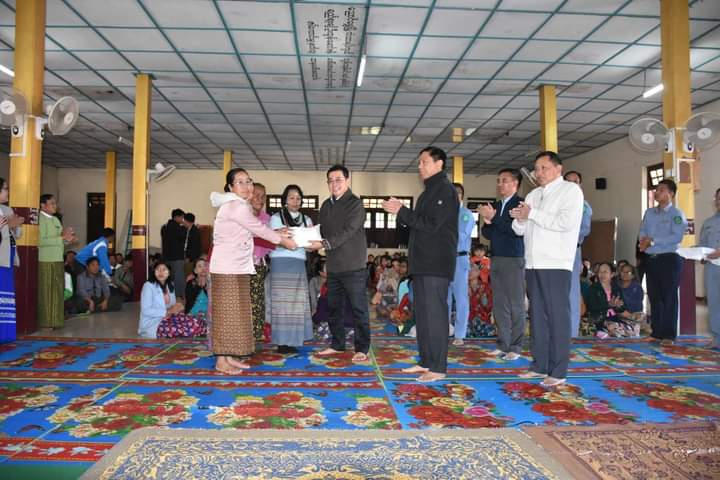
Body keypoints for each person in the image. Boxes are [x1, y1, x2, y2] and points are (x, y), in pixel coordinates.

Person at [382, 147, 459, 383]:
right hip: (423, 262)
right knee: (423, 315)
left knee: (435, 315)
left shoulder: (445, 190)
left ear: (439, 164)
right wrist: (402, 215)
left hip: (436, 262)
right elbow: (419, 226)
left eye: (424, 162)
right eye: (419, 162)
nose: (419, 166)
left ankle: (438, 366)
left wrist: (402, 211)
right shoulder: (427, 192)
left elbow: (432, 224)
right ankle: (426, 360)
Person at [209, 167, 296, 374]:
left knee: (236, 314)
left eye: (248, 181)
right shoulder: (235, 206)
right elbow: (257, 229)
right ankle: (221, 360)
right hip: (227, 269)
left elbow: (251, 230)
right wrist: (283, 241)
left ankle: (229, 357)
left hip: (237, 268)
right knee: (226, 315)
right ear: (230, 187)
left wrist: (276, 232)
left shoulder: (240, 206)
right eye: (240, 182)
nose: (246, 186)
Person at [511, 151, 583, 387]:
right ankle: (539, 365)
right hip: (533, 263)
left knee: (557, 316)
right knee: (538, 317)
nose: (538, 173)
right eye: (537, 169)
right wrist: (520, 219)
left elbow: (565, 223)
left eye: (544, 168)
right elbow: (520, 230)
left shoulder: (570, 191)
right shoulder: (533, 194)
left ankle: (558, 370)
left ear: (558, 169)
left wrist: (532, 214)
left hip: (556, 263)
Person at [313, 165, 370, 363]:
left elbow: (349, 230)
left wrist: (324, 244)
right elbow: (320, 231)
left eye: (338, 179)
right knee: (334, 307)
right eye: (330, 180)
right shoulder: (325, 206)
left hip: (354, 266)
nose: (334, 184)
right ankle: (337, 344)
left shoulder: (355, 204)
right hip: (334, 266)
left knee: (358, 309)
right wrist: (306, 239)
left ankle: (362, 348)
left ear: (347, 180)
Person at [479, 168, 525, 360]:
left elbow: (514, 230)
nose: (500, 184)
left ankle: (516, 346)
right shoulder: (496, 205)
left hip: (513, 257)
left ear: (515, 183)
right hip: (496, 257)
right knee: (499, 303)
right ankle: (503, 343)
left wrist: (495, 218)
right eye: (499, 181)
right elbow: (487, 234)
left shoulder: (520, 204)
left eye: (504, 181)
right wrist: (488, 221)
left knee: (515, 304)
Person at [638, 179, 687, 344]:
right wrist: (643, 242)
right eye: (656, 189)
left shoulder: (677, 214)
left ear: (671, 194)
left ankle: (668, 335)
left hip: (669, 259)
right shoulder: (649, 213)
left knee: (669, 297)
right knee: (654, 296)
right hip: (651, 259)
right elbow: (642, 230)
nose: (657, 192)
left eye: (661, 189)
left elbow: (677, 237)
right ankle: (656, 332)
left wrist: (652, 241)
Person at [268, 184, 314, 354]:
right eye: (291, 198)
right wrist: (286, 239)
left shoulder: (307, 220)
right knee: (281, 303)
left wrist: (308, 242)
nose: (295, 201)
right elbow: (272, 239)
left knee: (297, 303)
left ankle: (294, 340)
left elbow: (311, 246)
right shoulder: (275, 218)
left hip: (298, 262)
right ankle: (281, 342)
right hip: (280, 262)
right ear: (285, 200)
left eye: (298, 198)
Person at [139, 261, 206, 339]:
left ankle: (198, 330)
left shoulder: (170, 285)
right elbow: (146, 310)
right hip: (153, 323)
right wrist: (168, 311)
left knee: (193, 321)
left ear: (169, 273)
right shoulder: (148, 286)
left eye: (164, 269)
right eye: (158, 269)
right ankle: (195, 331)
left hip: (168, 318)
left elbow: (172, 306)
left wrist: (178, 307)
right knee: (186, 328)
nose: (161, 272)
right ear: (154, 272)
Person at [38, 194, 75, 330]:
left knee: (57, 292)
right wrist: (61, 238)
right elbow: (40, 241)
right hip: (46, 260)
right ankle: (46, 322)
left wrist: (68, 239)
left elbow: (60, 241)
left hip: (58, 260)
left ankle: (56, 321)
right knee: (47, 292)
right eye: (52, 203)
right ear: (43, 205)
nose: (55, 206)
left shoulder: (55, 220)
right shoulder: (40, 219)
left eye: (55, 203)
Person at [564, 171, 592, 338]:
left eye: (575, 182)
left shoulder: (583, 205)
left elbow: (584, 229)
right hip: (554, 251)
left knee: (572, 292)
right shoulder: (557, 203)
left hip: (572, 250)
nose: (572, 185)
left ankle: (572, 333)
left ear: (580, 185)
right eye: (568, 181)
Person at [447, 183, 475, 346]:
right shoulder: (444, 213)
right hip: (444, 259)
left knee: (460, 298)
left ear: (459, 195)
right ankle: (445, 329)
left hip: (459, 258)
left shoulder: (466, 215)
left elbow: (461, 235)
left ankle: (459, 333)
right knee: (444, 298)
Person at [584, 262, 640, 338]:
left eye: (605, 272)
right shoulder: (593, 288)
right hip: (599, 319)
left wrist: (619, 306)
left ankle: (609, 332)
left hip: (614, 318)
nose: (602, 274)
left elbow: (621, 309)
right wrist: (608, 304)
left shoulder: (616, 288)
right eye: (600, 272)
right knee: (614, 327)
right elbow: (592, 307)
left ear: (612, 274)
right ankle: (602, 331)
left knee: (634, 328)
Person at [0, 178, 24, 342]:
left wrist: (14, 226)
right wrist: (8, 225)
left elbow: (18, 233)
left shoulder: (7, 209)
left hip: (9, 255)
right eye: (5, 189)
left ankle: (6, 334)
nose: (8, 191)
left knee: (6, 294)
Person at [249, 182, 272, 342]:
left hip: (259, 265)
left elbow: (270, 243)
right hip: (239, 265)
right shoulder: (242, 215)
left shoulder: (267, 219)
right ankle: (241, 336)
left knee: (257, 301)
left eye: (263, 196)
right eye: (256, 195)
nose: (260, 199)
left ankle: (256, 336)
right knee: (242, 301)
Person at [700, 187, 720, 349]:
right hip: (712, 267)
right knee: (714, 302)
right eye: (717, 198)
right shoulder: (708, 222)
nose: (719, 201)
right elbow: (703, 244)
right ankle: (717, 337)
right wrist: (697, 253)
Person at [468, 244, 494, 338]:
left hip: (483, 317)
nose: (470, 271)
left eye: (474, 269)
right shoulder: (471, 260)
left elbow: (489, 306)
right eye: (469, 269)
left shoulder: (487, 261)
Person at [161, 208, 187, 298]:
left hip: (167, 257)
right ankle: (179, 295)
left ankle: (170, 295)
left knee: (170, 277)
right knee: (179, 277)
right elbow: (182, 237)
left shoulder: (165, 227)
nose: (183, 220)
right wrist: (184, 227)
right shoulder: (178, 228)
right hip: (177, 257)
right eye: (182, 217)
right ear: (176, 217)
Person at [617, 263, 646, 330]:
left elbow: (638, 304)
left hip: (635, 314)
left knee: (640, 316)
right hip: (621, 314)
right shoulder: (616, 286)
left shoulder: (637, 287)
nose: (625, 274)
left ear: (633, 275)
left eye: (628, 272)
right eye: (623, 272)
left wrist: (630, 314)